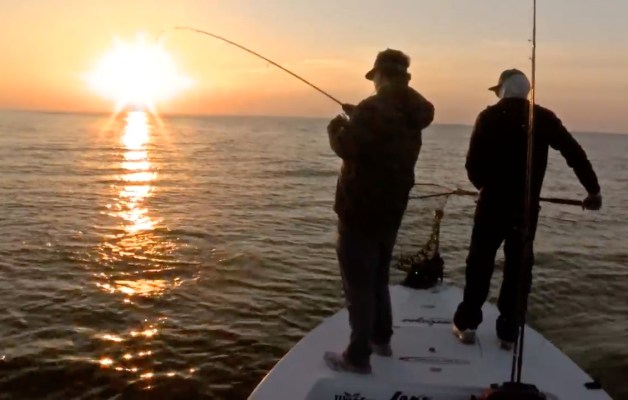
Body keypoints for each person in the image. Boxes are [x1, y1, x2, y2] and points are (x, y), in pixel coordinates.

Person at [452, 68, 602, 348]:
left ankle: (467, 324)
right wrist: (593, 190)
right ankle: (509, 333)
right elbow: (574, 153)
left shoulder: (488, 116)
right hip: (525, 209)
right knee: (518, 270)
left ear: (503, 90)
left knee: (480, 264)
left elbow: (472, 165)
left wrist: (484, 186)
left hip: (491, 206)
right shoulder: (543, 117)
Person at [323, 49, 435, 374]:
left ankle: (358, 357)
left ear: (381, 76)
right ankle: (381, 340)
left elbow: (348, 147)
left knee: (358, 284)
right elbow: (385, 135)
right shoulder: (412, 111)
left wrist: (336, 128)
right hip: (391, 209)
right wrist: (357, 116)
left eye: (375, 78)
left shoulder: (372, 109)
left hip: (359, 209)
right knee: (378, 277)